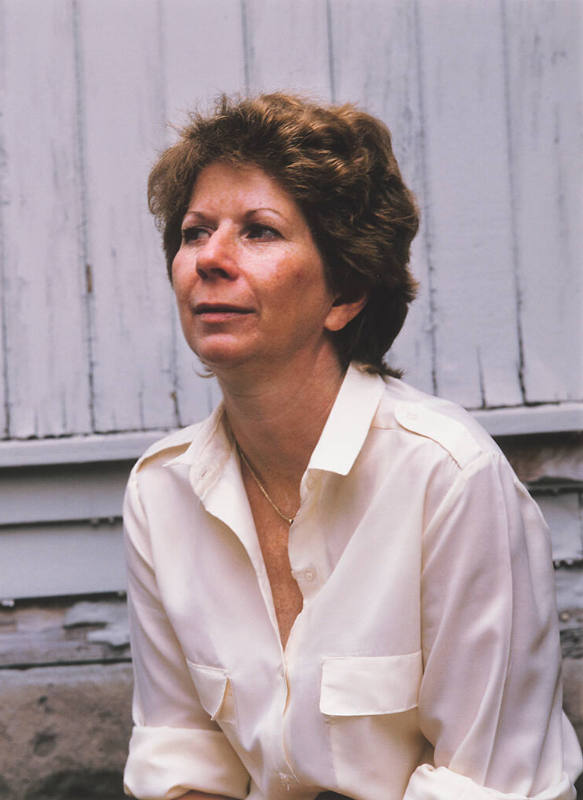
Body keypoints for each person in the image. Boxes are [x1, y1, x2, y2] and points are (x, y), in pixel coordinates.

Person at [121, 93, 582, 800]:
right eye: (193, 232)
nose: (208, 259)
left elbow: (485, 787)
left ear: (345, 289)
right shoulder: (162, 492)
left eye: (258, 232)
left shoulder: (446, 478)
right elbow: (181, 763)